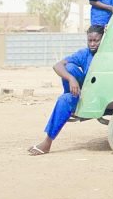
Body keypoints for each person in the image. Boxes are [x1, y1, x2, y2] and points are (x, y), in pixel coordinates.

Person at [28, 25, 105, 155]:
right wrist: (71, 79)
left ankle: (68, 107)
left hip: (101, 93)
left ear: (103, 39)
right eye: (89, 40)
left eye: (96, 40)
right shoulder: (84, 54)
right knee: (69, 68)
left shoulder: (107, 55)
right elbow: (57, 65)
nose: (92, 44)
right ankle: (71, 104)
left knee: (64, 100)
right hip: (85, 92)